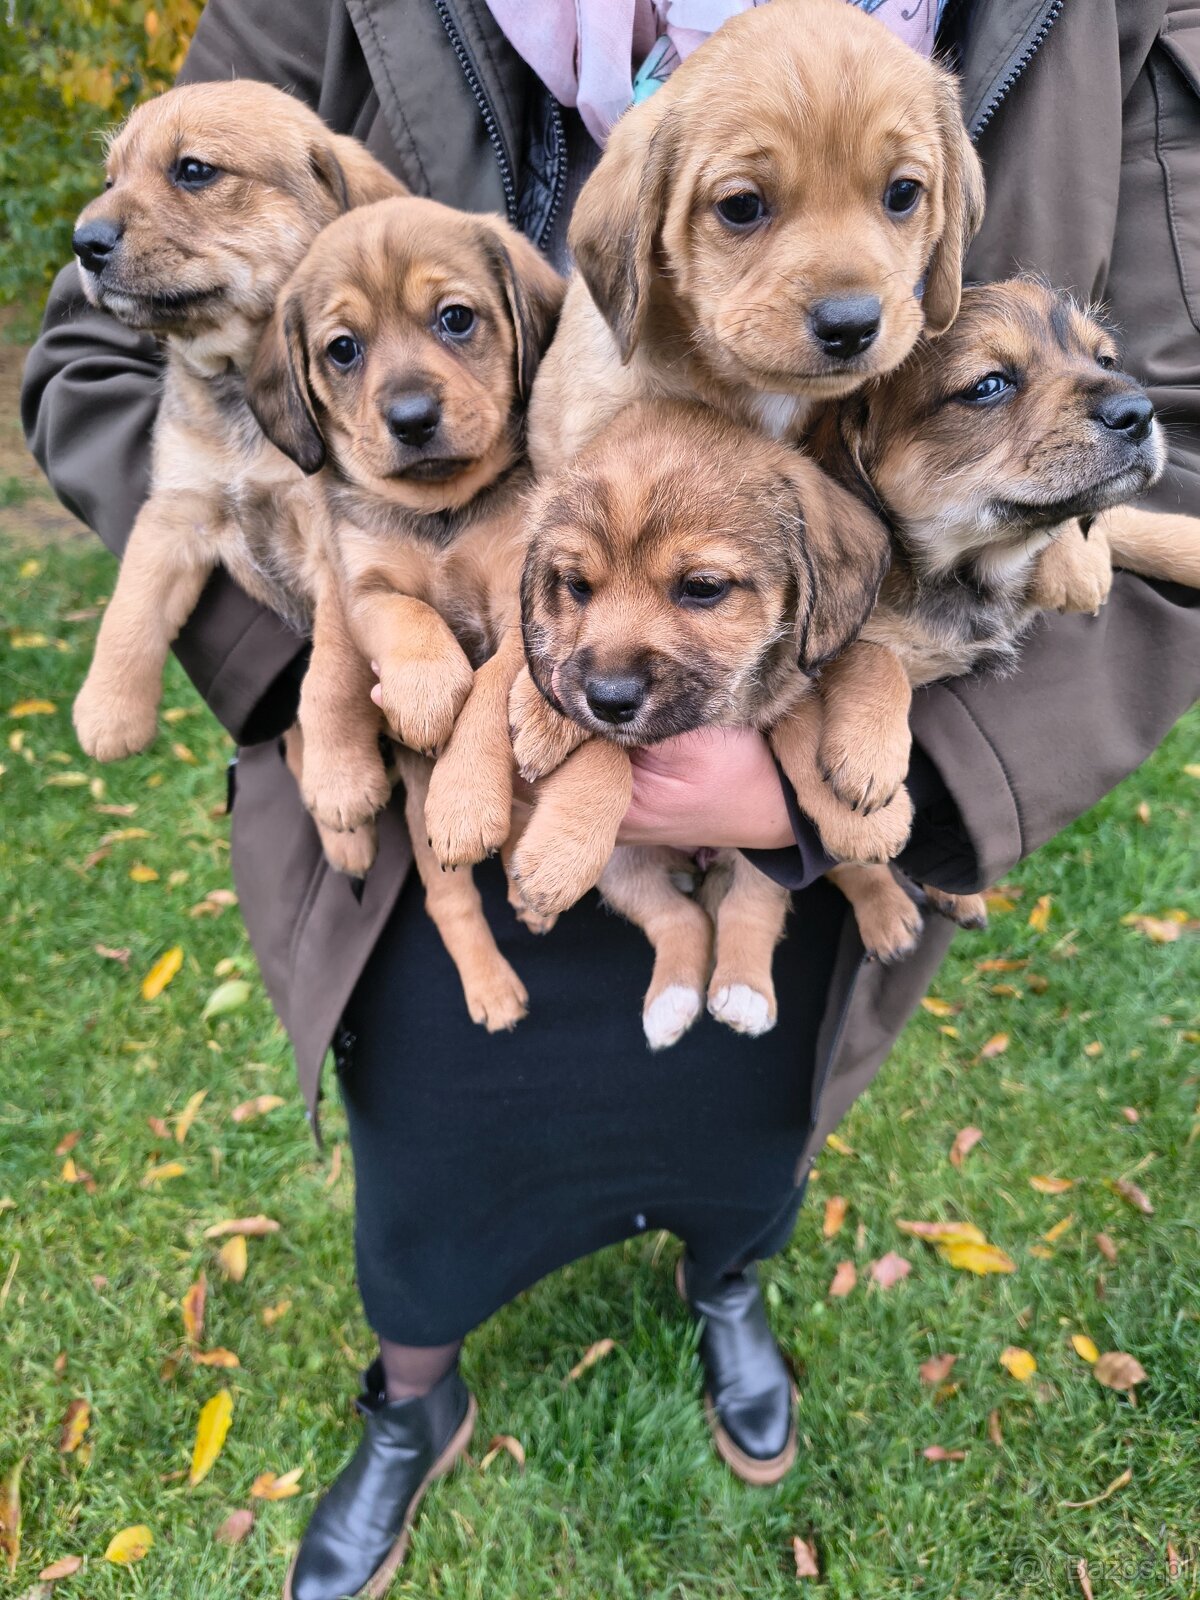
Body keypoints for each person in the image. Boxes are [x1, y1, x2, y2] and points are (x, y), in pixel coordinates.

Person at [22, 2, 1200, 1595]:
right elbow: (107, 359)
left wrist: (876, 780)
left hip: (811, 760)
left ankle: (725, 1287)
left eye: (903, 203)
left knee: (750, 1109)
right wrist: (328, 667)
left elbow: (1158, 434)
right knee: (431, 1138)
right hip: (467, 738)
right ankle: (413, 1389)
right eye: (746, 203)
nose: (857, 284)